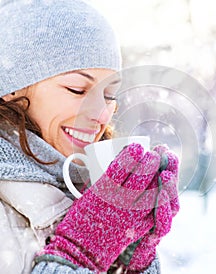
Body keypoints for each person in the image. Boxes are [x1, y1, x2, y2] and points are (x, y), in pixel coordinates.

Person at [0, 0, 180, 273]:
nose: (100, 114)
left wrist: (128, 263)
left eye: (109, 95)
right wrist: (78, 255)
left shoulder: (84, 187)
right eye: (76, 89)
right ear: (10, 88)